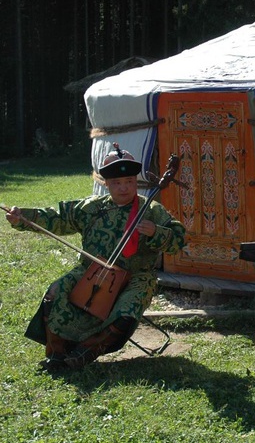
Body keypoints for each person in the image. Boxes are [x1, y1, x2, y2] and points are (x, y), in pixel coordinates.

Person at [5, 144, 187, 371]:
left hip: (137, 276)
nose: (124, 188)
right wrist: (23, 217)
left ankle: (87, 351)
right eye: (117, 183)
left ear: (136, 181)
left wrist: (156, 232)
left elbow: (179, 240)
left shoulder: (152, 210)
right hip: (93, 270)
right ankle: (57, 353)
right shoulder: (92, 208)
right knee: (55, 292)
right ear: (106, 183)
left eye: (129, 181)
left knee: (127, 310)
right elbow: (58, 217)